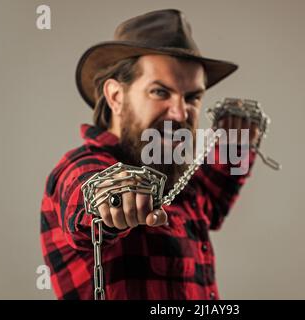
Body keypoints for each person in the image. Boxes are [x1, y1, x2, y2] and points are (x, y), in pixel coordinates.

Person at [40, 8, 259, 300]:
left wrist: (236, 142)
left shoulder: (169, 173)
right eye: (160, 92)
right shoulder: (79, 167)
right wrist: (112, 200)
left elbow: (210, 203)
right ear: (116, 97)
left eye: (192, 97)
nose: (181, 113)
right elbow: (85, 192)